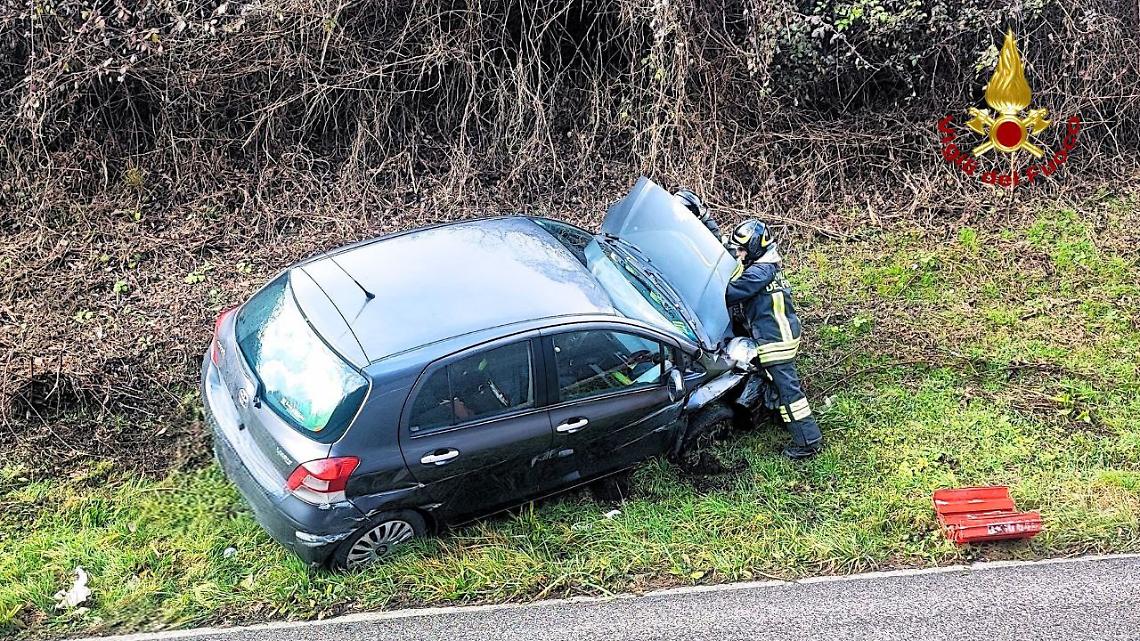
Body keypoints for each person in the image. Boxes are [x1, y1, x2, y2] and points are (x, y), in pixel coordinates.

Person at [724, 219, 823, 459]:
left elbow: (730, 293)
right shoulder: (767, 265)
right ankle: (782, 419)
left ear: (755, 248)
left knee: (790, 394)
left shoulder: (758, 273)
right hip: (781, 334)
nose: (739, 254)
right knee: (777, 383)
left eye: (742, 250)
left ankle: (809, 442)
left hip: (775, 341)